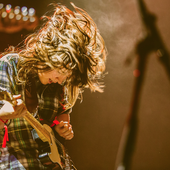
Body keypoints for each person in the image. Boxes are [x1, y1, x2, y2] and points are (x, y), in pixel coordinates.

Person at [0, 2, 107, 170]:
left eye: (67, 76)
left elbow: (62, 116)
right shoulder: (9, 65)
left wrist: (63, 129)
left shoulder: (58, 85)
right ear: (51, 54)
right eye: (61, 71)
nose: (61, 80)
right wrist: (7, 113)